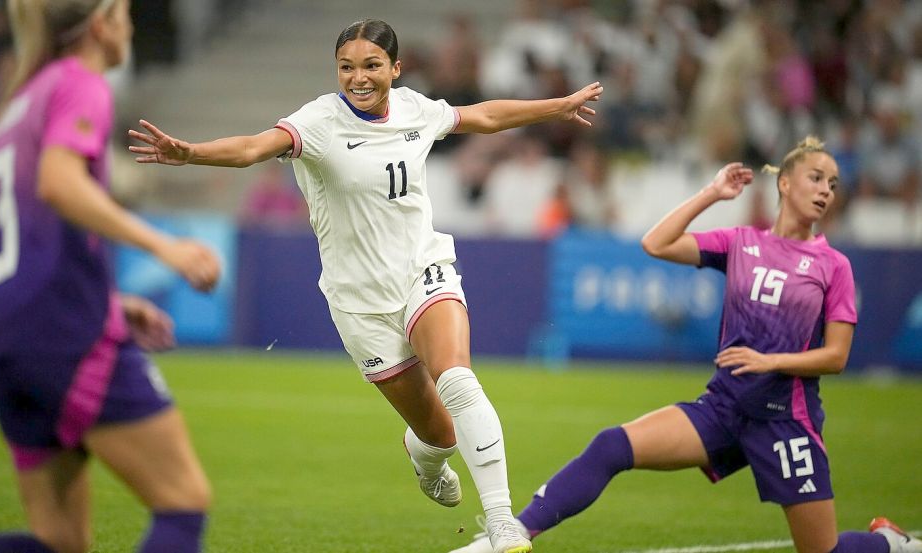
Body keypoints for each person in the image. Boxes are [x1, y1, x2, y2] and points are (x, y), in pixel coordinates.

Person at [128, 18, 602, 553]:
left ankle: (502, 522)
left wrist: (556, 106)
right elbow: (251, 149)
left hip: (422, 269)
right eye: (347, 67)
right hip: (360, 303)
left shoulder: (415, 109)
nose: (358, 77)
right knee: (440, 434)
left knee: (459, 380)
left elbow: (486, 116)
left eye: (371, 66)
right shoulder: (319, 121)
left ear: (395, 69)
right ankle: (425, 456)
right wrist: (191, 154)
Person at [449, 137, 922, 553]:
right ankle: (511, 535)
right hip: (722, 409)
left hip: (785, 424)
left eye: (833, 184)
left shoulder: (832, 265)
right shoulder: (741, 243)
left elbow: (837, 357)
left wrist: (769, 361)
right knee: (612, 446)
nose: (825, 191)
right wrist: (712, 194)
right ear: (785, 183)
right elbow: (656, 243)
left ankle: (888, 543)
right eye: (816, 178)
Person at [0, 1, 221, 552]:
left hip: (6, 340)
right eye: (124, 13)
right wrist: (164, 245)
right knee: (182, 502)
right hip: (64, 338)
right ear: (101, 24)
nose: (132, 25)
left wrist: (111, 300)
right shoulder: (81, 84)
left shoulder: (24, 99)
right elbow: (59, 185)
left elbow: (31, 236)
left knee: (60, 542)